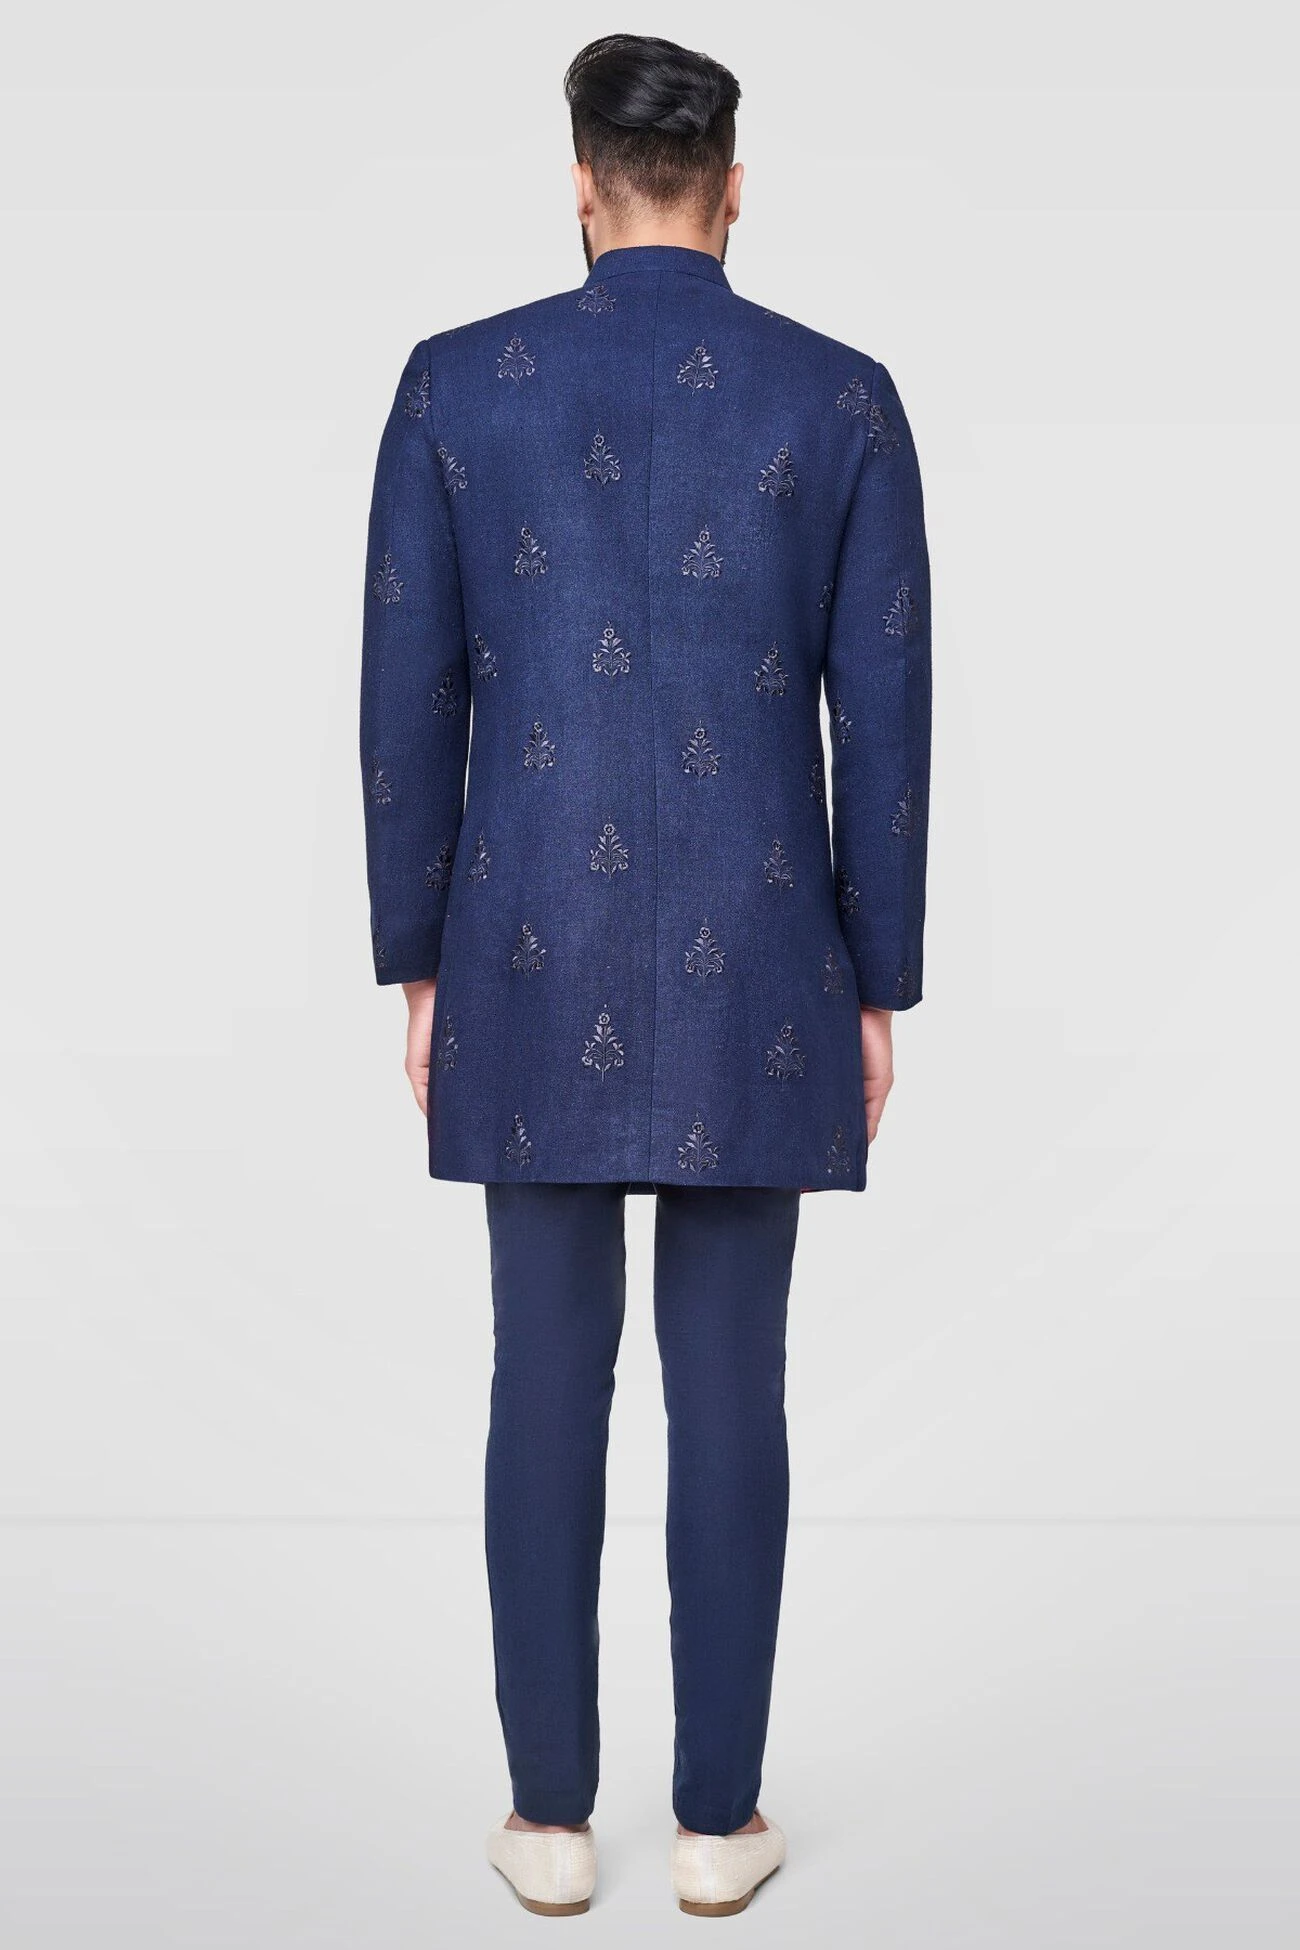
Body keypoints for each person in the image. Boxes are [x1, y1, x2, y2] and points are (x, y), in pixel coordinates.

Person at [358, 31, 931, 1918]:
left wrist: (420, 961)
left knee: (543, 1376)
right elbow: (885, 719)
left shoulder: (456, 385)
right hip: (768, 958)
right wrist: (877, 977)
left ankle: (545, 1822)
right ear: (736, 188)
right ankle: (715, 1823)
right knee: (734, 1385)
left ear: (582, 189)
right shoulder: (842, 399)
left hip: (525, 948)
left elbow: (407, 697)